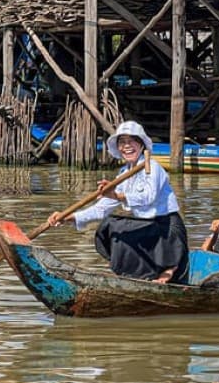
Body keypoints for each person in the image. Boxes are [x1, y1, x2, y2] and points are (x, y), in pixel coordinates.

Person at [46, 120, 189, 284]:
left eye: (131, 141)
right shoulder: (123, 174)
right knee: (109, 227)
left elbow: (148, 197)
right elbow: (101, 209)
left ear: (141, 144)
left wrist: (115, 195)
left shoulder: (153, 167)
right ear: (118, 148)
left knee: (117, 225)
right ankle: (133, 273)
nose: (127, 146)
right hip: (148, 228)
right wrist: (68, 217)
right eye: (122, 142)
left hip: (167, 230)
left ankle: (168, 270)